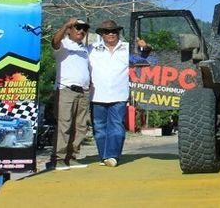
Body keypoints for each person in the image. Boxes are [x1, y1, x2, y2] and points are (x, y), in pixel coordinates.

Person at [89, 20, 151, 167]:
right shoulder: (92, 48)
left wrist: (146, 47)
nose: (111, 34)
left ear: (118, 33)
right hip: (96, 95)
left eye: (114, 31)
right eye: (107, 31)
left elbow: (143, 60)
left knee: (116, 126)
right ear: (101, 34)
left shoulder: (127, 49)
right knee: (99, 128)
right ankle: (104, 156)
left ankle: (112, 156)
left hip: (119, 95)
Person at [51, 17, 91, 171]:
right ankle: (58, 159)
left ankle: (72, 157)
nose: (81, 31)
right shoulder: (63, 44)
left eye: (84, 28)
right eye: (77, 27)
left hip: (83, 92)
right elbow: (54, 41)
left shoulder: (85, 49)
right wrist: (65, 24)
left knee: (80, 127)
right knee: (64, 124)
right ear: (70, 30)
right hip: (66, 89)